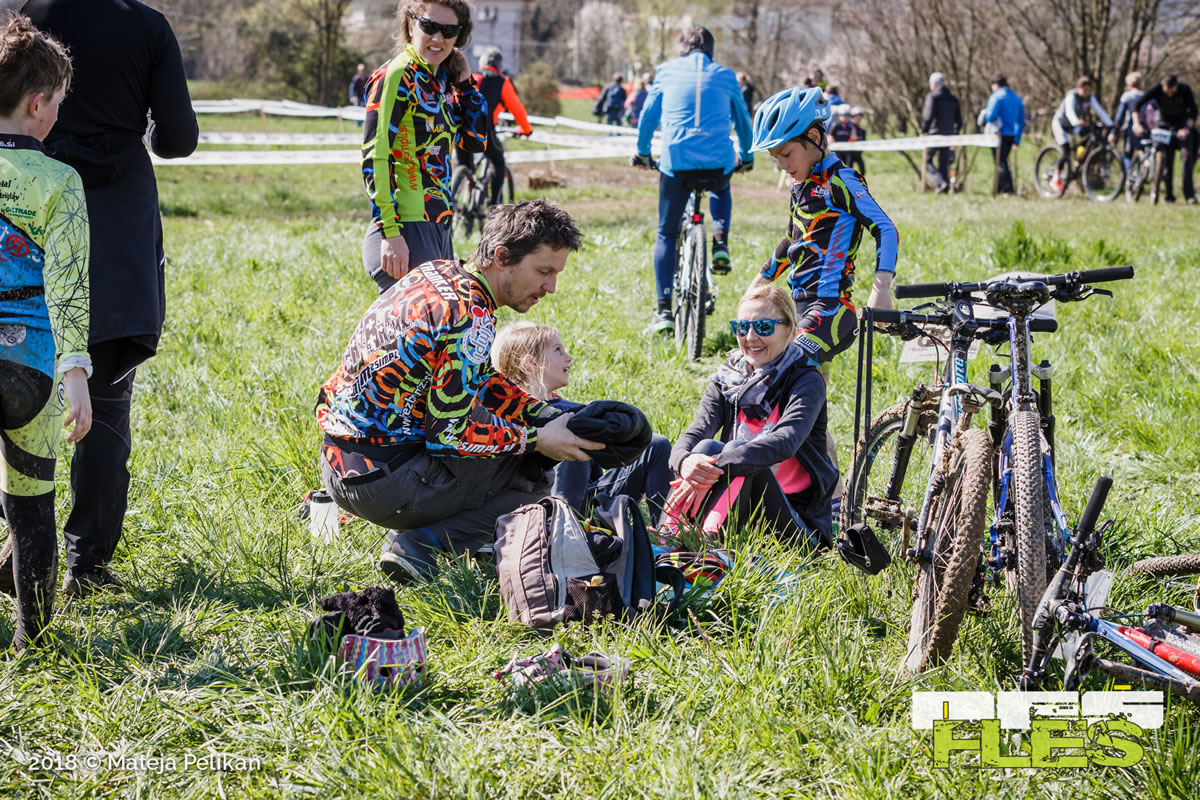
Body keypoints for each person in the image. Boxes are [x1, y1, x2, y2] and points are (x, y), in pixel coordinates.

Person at [3, 0, 198, 598]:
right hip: (117, 220)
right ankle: (85, 564)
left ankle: (16, 548)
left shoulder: (34, 13)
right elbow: (179, 139)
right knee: (106, 400)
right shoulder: (148, 26)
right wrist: (138, 127)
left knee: (14, 378)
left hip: (29, 200)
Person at [316, 200, 602, 584]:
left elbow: (478, 379)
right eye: (543, 272)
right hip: (380, 483)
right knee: (532, 474)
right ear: (502, 257)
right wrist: (536, 440)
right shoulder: (471, 316)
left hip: (338, 463)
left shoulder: (438, 273)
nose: (550, 287)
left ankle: (425, 533)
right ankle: (421, 546)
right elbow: (448, 434)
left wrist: (543, 413)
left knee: (514, 445)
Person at [749, 87, 898, 524]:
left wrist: (881, 287)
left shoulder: (842, 181)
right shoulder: (801, 185)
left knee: (782, 372)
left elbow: (885, 228)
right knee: (804, 406)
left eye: (786, 153)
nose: (782, 164)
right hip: (797, 307)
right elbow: (792, 240)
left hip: (833, 310)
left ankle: (818, 495)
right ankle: (831, 495)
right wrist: (762, 280)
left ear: (815, 138)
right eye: (775, 158)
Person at [0, 12, 92, 648]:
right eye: (58, 101)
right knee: (31, 508)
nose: (58, 113)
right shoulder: (61, 182)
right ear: (37, 104)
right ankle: (33, 640)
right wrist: (76, 373)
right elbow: (69, 288)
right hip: (30, 369)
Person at [663, 284, 836, 549]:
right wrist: (685, 462)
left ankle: (708, 549)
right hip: (738, 507)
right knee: (704, 447)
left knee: (740, 453)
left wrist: (713, 468)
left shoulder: (806, 381)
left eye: (764, 327)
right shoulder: (728, 379)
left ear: (790, 329)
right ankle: (666, 539)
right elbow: (696, 431)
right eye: (741, 328)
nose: (751, 337)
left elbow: (785, 441)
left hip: (796, 528)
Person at [632, 26, 754, 334]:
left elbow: (648, 116)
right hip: (717, 162)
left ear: (681, 49)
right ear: (711, 51)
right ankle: (721, 242)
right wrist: (747, 156)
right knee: (722, 181)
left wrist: (642, 152)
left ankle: (663, 310)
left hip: (677, 162)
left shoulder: (666, 71)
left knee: (666, 233)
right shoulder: (726, 75)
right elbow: (743, 119)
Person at [361, 0, 487, 293]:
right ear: (410, 23)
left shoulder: (439, 80)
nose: (438, 38)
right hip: (406, 224)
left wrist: (465, 83)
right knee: (417, 321)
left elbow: (475, 141)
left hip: (438, 221)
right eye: (429, 27)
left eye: (449, 31)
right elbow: (375, 157)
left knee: (436, 320)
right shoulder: (397, 75)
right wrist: (390, 233)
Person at [492, 321, 673, 517]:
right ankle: (562, 526)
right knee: (571, 432)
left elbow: (595, 477)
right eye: (558, 350)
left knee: (657, 445)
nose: (568, 357)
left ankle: (667, 530)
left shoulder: (571, 409)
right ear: (531, 363)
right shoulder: (506, 414)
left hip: (585, 505)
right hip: (535, 509)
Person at [454, 47, 531, 206]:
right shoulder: (502, 81)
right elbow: (517, 109)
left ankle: (459, 201)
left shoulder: (471, 77)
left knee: (463, 165)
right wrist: (526, 129)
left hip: (459, 130)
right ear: (500, 67)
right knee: (498, 162)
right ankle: (494, 207)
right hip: (484, 131)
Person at [1134, 75, 1197, 204]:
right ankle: (1169, 196)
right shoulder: (1157, 89)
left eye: (1171, 90)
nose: (1169, 93)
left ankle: (1189, 195)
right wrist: (1136, 124)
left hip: (1182, 128)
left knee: (1187, 158)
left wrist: (1186, 128)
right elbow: (1137, 105)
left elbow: (1194, 112)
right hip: (1164, 127)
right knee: (1167, 161)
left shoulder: (1185, 90)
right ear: (1163, 85)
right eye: (1166, 90)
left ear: (1176, 86)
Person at [1050, 76, 1113, 191]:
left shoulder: (1089, 98)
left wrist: (1110, 124)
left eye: (1089, 90)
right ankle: (1055, 178)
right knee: (1065, 151)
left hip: (1074, 126)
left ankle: (1078, 158)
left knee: (1090, 135)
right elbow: (1069, 111)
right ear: (1078, 88)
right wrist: (1076, 121)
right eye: (1085, 90)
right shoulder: (1071, 96)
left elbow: (1100, 112)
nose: (1087, 92)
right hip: (1060, 124)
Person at [981, 74, 1025, 194]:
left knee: (1000, 162)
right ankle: (999, 189)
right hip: (1011, 134)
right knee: (1003, 161)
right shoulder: (1017, 98)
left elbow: (990, 116)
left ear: (996, 84)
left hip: (998, 134)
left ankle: (1008, 189)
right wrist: (1017, 139)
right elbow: (1021, 121)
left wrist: (983, 116)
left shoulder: (996, 97)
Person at [921, 72, 962, 193]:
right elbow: (959, 120)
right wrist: (955, 134)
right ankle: (944, 187)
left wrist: (924, 130)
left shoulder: (932, 96)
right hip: (949, 134)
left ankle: (940, 182)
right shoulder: (953, 98)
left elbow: (927, 116)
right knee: (944, 162)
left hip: (934, 133)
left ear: (933, 84)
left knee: (927, 161)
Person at [1110, 71, 1144, 173]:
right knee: (1142, 152)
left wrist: (1113, 132)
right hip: (1143, 128)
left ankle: (1128, 176)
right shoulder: (1145, 95)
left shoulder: (1127, 96)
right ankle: (1141, 176)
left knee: (1127, 154)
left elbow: (1119, 116)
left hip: (1130, 128)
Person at [830, 106, 867, 176]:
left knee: (848, 167)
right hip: (837, 151)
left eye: (847, 115)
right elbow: (830, 136)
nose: (845, 117)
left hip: (847, 151)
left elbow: (852, 138)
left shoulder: (851, 127)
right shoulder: (835, 125)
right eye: (844, 115)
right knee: (838, 167)